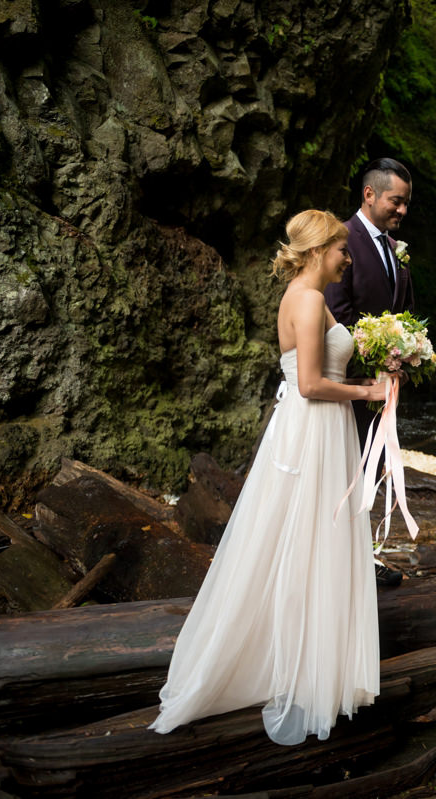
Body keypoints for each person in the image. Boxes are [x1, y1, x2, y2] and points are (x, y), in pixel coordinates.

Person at [150, 210, 393, 745]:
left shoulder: (306, 298)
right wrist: (367, 393)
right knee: (304, 537)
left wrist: (372, 370)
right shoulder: (306, 301)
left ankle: (309, 660)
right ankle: (293, 664)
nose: (347, 259)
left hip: (318, 430)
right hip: (311, 429)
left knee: (306, 538)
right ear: (315, 252)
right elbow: (308, 383)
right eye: (340, 250)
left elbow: (319, 372)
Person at [325, 157, 415, 587]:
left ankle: (362, 555)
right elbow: (338, 313)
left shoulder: (395, 249)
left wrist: (407, 354)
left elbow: (402, 313)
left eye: (405, 204)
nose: (401, 210)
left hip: (385, 386)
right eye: (396, 201)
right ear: (370, 194)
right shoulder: (342, 241)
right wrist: (372, 370)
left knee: (372, 465)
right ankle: (344, 561)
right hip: (354, 383)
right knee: (348, 467)